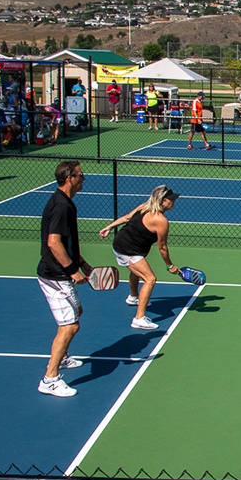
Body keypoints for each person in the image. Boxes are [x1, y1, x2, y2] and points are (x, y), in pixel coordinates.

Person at [37, 160, 93, 398]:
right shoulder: (61, 206)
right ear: (69, 177)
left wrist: (81, 262)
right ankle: (49, 379)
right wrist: (72, 270)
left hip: (60, 272)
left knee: (75, 313)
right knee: (70, 326)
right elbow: (54, 242)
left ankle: (63, 357)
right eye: (81, 175)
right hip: (56, 275)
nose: (83, 179)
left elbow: (67, 241)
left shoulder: (66, 203)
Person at [99, 185, 182, 331]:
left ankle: (132, 297)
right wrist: (170, 266)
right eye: (171, 199)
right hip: (128, 250)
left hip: (122, 243)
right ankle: (139, 318)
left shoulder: (144, 207)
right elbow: (162, 248)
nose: (174, 201)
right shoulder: (161, 221)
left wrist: (109, 227)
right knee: (150, 279)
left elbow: (126, 218)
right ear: (163, 201)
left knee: (136, 271)